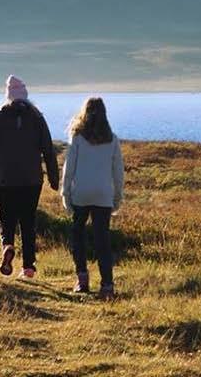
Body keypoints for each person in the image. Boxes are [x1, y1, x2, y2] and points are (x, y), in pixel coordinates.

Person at [0, 75, 59, 279]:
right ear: (25, 95)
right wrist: (54, 178)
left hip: (6, 178)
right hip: (32, 179)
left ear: (8, 95)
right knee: (28, 221)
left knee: (6, 217)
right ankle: (28, 267)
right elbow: (48, 149)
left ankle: (7, 246)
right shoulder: (37, 117)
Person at [61, 97, 124, 300]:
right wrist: (117, 196)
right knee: (102, 240)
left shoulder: (78, 138)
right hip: (103, 194)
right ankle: (107, 285)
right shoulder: (112, 139)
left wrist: (65, 193)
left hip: (82, 193)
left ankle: (82, 278)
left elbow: (68, 169)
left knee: (78, 234)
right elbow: (118, 172)